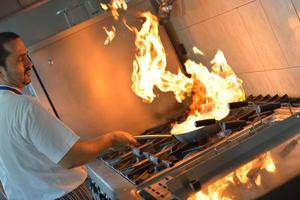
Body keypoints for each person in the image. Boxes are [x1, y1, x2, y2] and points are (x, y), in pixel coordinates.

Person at [0, 32, 137, 200]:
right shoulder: (24, 107)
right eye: (20, 59)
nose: (30, 63)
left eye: (27, 55)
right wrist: (112, 139)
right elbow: (71, 157)